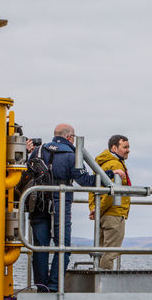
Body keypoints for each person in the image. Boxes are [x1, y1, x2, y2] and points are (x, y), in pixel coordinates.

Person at [31, 124, 101, 291]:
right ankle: (55, 286)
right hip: (60, 205)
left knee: (40, 247)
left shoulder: (38, 151)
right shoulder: (71, 156)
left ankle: (42, 287)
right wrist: (109, 175)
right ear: (69, 137)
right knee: (63, 246)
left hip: (37, 203)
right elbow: (85, 182)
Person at [89, 135, 131, 270]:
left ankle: (98, 282)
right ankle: (104, 284)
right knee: (110, 252)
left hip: (103, 214)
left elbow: (92, 190)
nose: (128, 150)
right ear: (114, 148)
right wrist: (99, 209)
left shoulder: (101, 164)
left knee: (102, 250)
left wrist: (94, 209)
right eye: (125, 147)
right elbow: (112, 193)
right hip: (114, 213)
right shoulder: (116, 165)